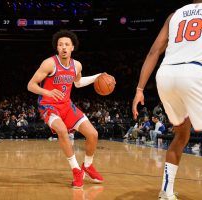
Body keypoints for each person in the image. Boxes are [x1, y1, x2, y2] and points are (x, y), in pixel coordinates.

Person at [132, 1, 202, 199]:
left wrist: (139, 89)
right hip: (195, 71)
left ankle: (167, 192)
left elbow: (154, 52)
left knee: (181, 135)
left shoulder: (174, 15)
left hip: (166, 74)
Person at [28, 30, 115, 188]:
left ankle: (87, 166)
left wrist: (97, 77)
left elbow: (78, 83)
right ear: (57, 48)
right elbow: (31, 85)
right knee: (62, 130)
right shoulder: (49, 63)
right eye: (60, 45)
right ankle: (76, 170)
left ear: (72, 47)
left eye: (67, 44)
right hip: (48, 105)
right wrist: (47, 92)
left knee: (93, 134)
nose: (63, 47)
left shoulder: (77, 65)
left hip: (67, 105)